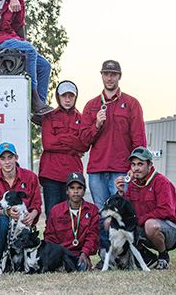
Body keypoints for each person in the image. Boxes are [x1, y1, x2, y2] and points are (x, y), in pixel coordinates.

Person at [81, 60, 146, 259]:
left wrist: (133, 168)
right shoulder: (91, 105)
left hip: (121, 170)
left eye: (113, 74)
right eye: (106, 74)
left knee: (125, 214)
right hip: (97, 171)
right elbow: (83, 141)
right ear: (101, 76)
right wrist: (97, 125)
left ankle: (129, 256)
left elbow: (139, 141)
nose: (109, 78)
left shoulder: (132, 103)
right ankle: (105, 257)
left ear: (119, 76)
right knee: (103, 216)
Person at [111, 147, 176, 270]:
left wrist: (138, 222)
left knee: (150, 225)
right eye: (133, 164)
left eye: (140, 164)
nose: (136, 168)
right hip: (144, 226)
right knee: (114, 223)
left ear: (150, 164)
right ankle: (147, 258)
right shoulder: (132, 184)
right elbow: (125, 212)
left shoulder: (161, 182)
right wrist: (120, 193)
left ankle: (163, 257)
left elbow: (166, 211)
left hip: (171, 231)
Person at [0, 142, 42, 269]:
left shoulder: (30, 177)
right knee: (4, 221)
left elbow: (37, 203)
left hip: (25, 221)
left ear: (16, 158)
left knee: (26, 228)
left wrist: (32, 215)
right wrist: (7, 213)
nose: (7, 162)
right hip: (4, 219)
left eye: (10, 157)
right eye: (3, 158)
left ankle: (27, 264)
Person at [39, 81, 89, 217]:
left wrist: (60, 137)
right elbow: (48, 144)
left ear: (76, 97)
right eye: (64, 96)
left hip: (73, 175)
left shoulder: (83, 119)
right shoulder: (48, 116)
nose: (67, 100)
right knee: (53, 215)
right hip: (52, 174)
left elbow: (84, 145)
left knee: (72, 216)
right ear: (58, 97)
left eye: (71, 96)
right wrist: (74, 148)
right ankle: (50, 240)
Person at [44, 172, 99, 271]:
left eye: (79, 188)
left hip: (79, 255)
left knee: (82, 266)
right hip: (60, 255)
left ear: (84, 191)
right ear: (67, 191)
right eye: (72, 188)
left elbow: (92, 235)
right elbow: (49, 236)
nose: (76, 191)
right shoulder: (56, 210)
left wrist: (85, 253)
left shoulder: (93, 210)